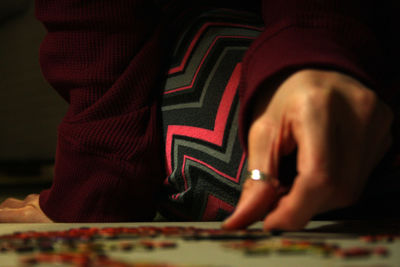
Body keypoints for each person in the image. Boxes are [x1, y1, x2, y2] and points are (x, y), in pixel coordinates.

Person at [0, 0, 398, 230]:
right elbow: (96, 21)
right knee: (221, 155)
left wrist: (317, 45)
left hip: (365, 21)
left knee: (330, 139)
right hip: (201, 35)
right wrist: (98, 175)